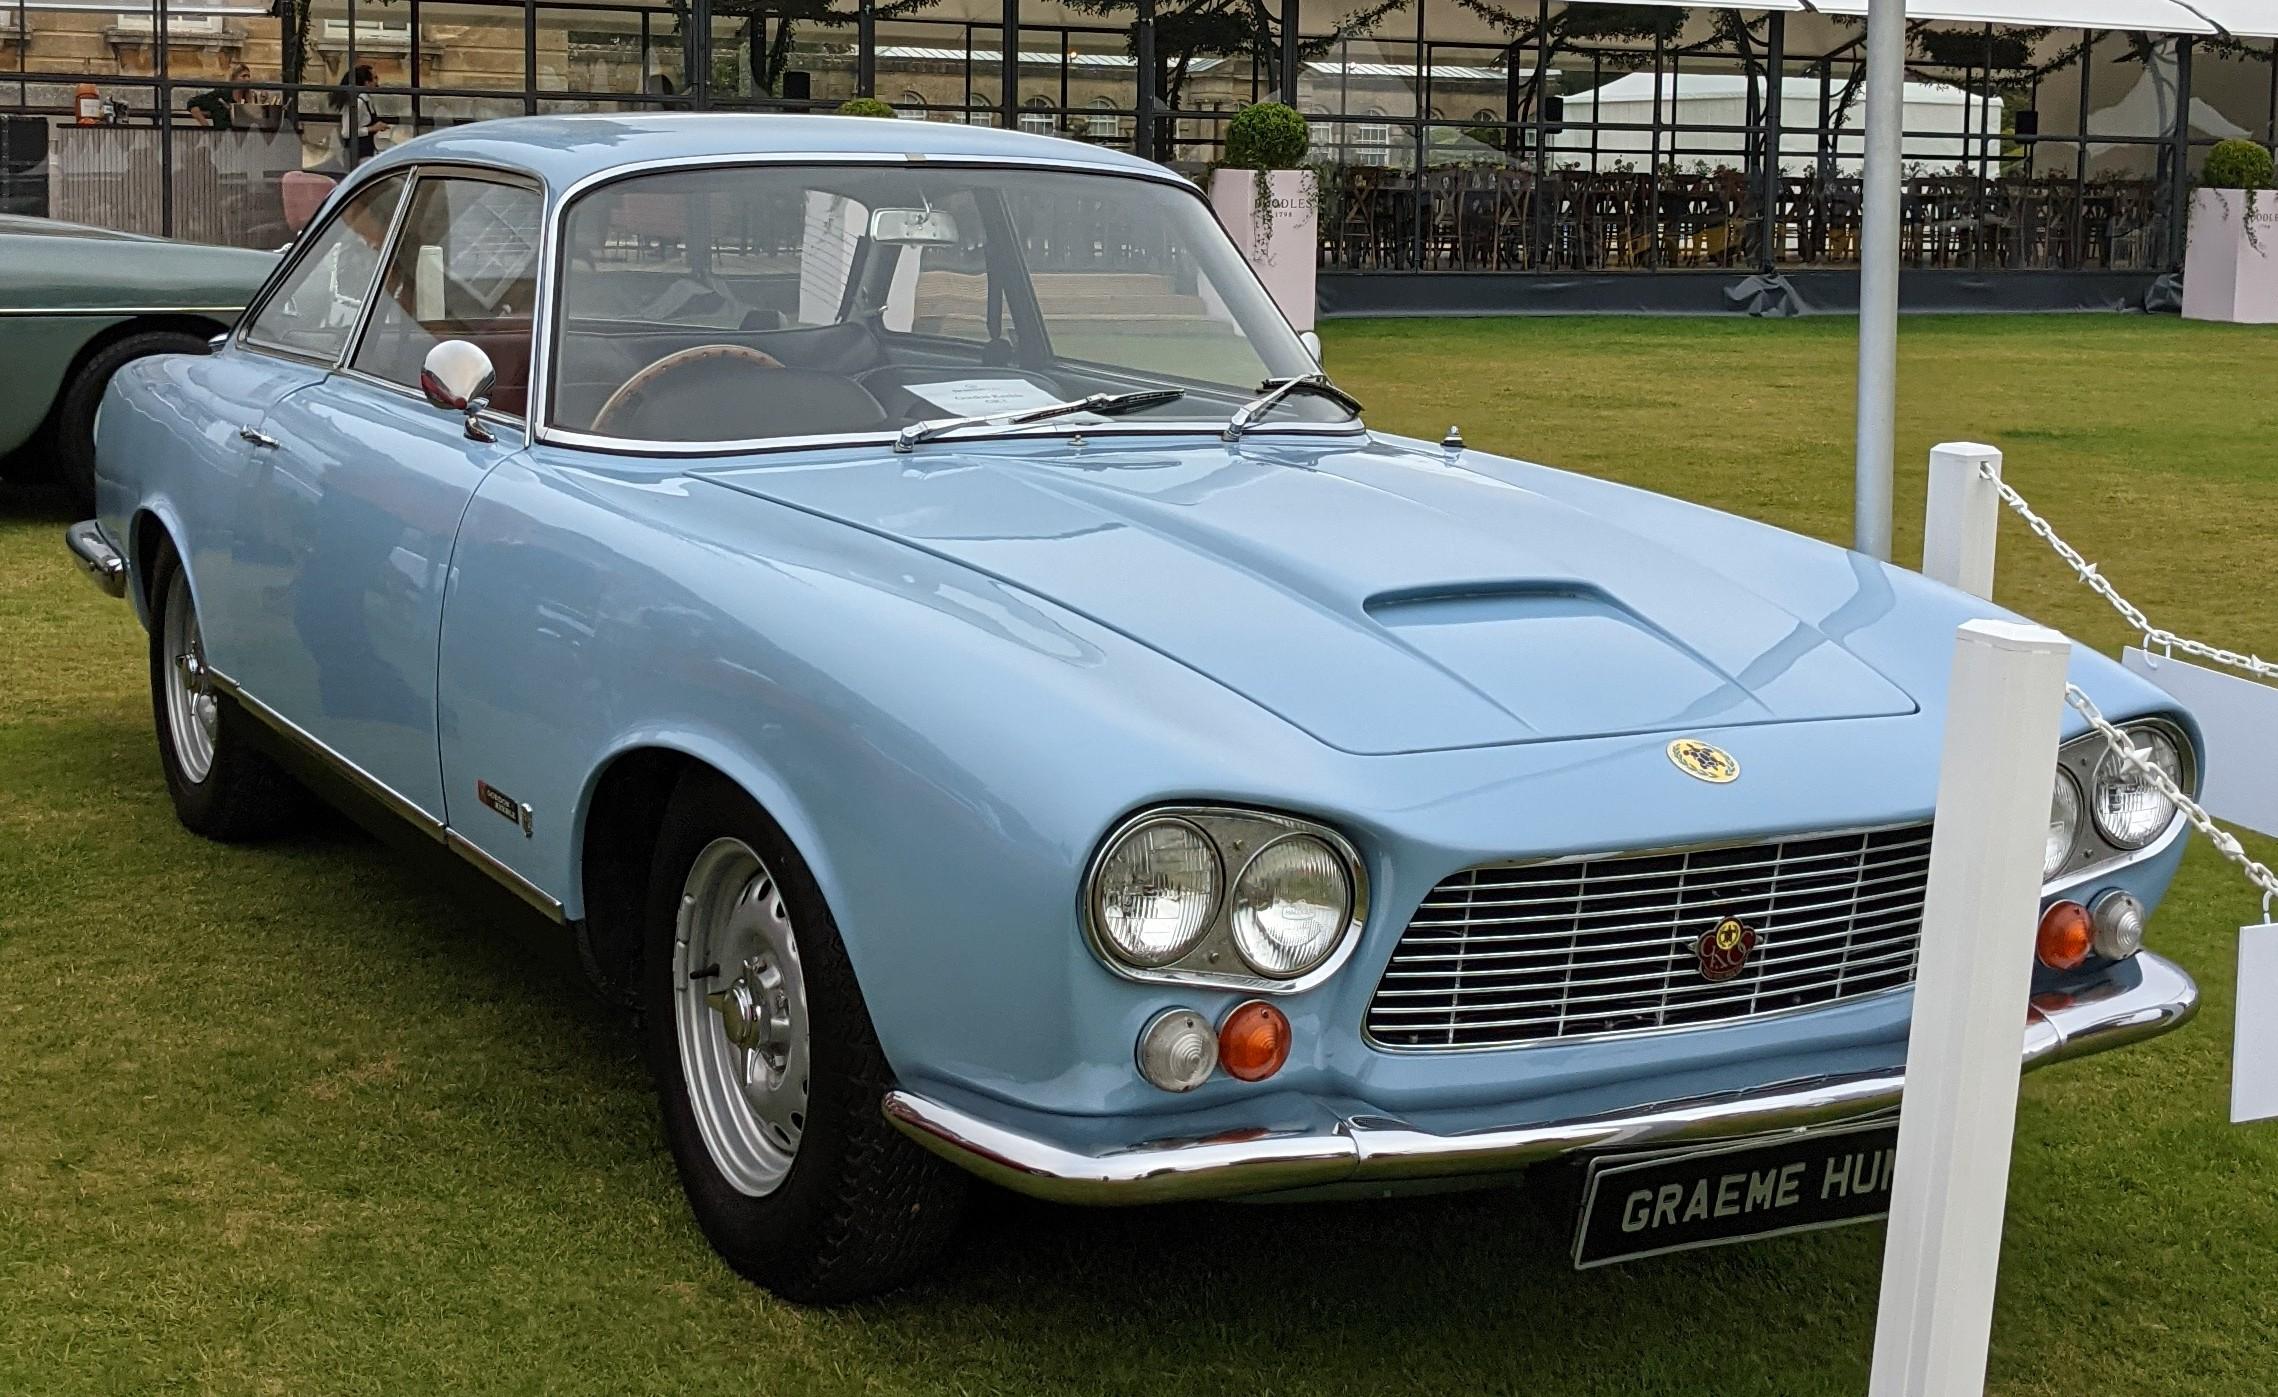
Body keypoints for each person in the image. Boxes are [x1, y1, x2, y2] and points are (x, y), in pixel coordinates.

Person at [337, 64, 389, 165]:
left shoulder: (367, 101)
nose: (377, 82)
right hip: (359, 154)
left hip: (367, 151)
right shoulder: (358, 102)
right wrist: (372, 128)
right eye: (374, 78)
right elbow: (347, 132)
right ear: (367, 82)